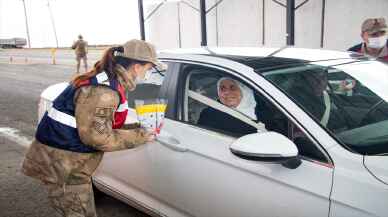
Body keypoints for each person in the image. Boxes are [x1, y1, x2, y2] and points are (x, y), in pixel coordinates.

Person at [22, 39, 166, 217]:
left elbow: (100, 124)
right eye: (148, 68)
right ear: (137, 67)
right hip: (64, 167)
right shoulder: (104, 92)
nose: (148, 72)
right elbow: (96, 137)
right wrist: (140, 136)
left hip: (67, 161)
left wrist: (136, 127)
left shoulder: (108, 81)